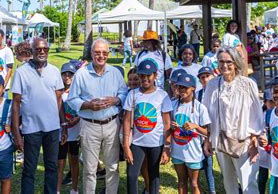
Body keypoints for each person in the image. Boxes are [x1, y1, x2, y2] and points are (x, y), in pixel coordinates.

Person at [67, 38, 128, 193]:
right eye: (97, 53)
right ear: (91, 53)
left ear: (108, 53)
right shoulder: (81, 74)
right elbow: (72, 99)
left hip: (111, 124)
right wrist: (88, 105)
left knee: (112, 167)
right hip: (89, 124)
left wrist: (116, 99)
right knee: (89, 169)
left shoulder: (115, 72)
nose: (101, 56)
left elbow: (124, 92)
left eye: (104, 53)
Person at [202, 46, 263, 194]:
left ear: (235, 62)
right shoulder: (212, 85)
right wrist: (207, 139)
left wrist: (255, 140)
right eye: (221, 61)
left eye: (228, 61)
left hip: (244, 141)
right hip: (221, 140)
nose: (224, 65)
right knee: (229, 183)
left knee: (248, 183)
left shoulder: (248, 84)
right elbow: (206, 114)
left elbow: (256, 115)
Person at [10, 37, 65, 194]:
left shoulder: (54, 71)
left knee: (52, 167)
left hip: (53, 129)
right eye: (38, 49)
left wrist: (64, 124)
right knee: (29, 170)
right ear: (32, 51)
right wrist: (16, 133)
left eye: (45, 49)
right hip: (31, 129)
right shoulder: (21, 72)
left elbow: (59, 99)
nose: (42, 52)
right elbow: (15, 103)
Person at [122, 59, 172, 194]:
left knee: (154, 175)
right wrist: (126, 145)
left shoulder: (162, 95)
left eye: (148, 75)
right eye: (142, 75)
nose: (145, 79)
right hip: (137, 143)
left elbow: (167, 123)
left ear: (155, 75)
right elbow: (127, 121)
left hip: (156, 143)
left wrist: (167, 147)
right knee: (132, 175)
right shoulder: (133, 94)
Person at [170, 73, 211, 194]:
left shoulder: (200, 108)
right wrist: (172, 127)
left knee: (194, 184)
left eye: (185, 87)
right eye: (180, 87)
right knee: (181, 182)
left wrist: (195, 126)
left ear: (193, 88)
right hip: (177, 151)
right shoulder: (173, 104)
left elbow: (207, 133)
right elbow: (168, 128)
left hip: (193, 152)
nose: (182, 90)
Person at [57, 62, 80, 194]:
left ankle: (74, 189)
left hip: (75, 132)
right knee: (60, 162)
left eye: (70, 74)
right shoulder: (58, 92)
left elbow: (82, 111)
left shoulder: (78, 92)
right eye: (64, 74)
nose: (67, 77)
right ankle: (57, 189)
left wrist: (77, 118)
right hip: (61, 133)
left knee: (74, 161)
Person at [195, 67, 216, 194]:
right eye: (202, 77)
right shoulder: (198, 94)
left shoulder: (218, 91)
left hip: (218, 130)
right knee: (207, 161)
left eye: (207, 76)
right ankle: (211, 189)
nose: (205, 79)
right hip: (205, 132)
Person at [258, 89, 275, 194]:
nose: (273, 104)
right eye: (270, 102)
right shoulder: (261, 114)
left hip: (276, 149)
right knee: (262, 176)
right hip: (263, 149)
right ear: (265, 102)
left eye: (275, 101)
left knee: (275, 176)